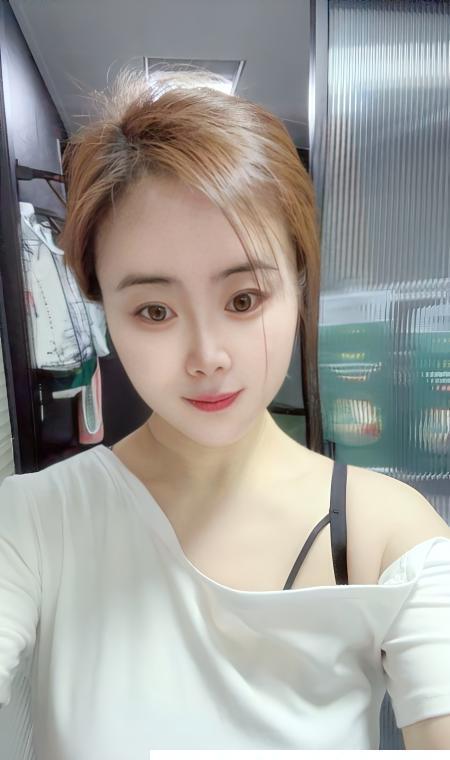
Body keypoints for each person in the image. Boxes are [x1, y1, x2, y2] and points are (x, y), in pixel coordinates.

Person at [0, 65, 449, 757]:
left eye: (243, 300)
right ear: (104, 311)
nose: (206, 356)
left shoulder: (389, 534)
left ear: (297, 286)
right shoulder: (32, 525)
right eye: (154, 311)